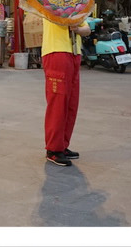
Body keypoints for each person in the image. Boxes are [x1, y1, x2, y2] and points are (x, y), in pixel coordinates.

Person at [41, 16, 91, 166]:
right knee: (58, 102)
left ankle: (62, 145)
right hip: (56, 52)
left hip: (74, 53)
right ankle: (53, 149)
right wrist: (73, 24)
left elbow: (86, 29)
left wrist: (77, 28)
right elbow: (60, 20)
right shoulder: (50, 4)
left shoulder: (76, 8)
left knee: (71, 102)